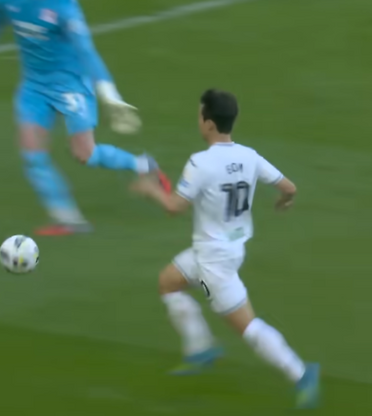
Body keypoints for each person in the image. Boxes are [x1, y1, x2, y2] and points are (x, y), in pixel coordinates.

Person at [130, 89, 320, 409]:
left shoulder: (201, 163)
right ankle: (200, 347)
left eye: (199, 115)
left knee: (248, 328)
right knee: (168, 282)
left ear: (208, 123)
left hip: (214, 263)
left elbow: (174, 207)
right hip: (222, 251)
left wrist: (150, 189)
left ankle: (301, 373)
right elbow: (289, 187)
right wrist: (284, 201)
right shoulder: (249, 156)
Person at [0, 0, 170, 236]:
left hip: (71, 86)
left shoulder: (63, 7)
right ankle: (69, 218)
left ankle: (144, 165)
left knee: (85, 154)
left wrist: (109, 95)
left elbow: (86, 51)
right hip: (34, 88)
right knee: (32, 155)